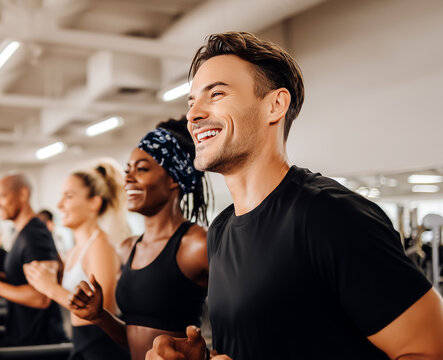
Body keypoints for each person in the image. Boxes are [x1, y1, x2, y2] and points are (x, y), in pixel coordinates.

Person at [146, 31, 443, 360]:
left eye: (216, 94)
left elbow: (429, 350)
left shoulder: (329, 216)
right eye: (191, 102)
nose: (193, 114)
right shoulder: (221, 229)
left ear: (275, 106)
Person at [69, 118, 211, 360]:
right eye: (127, 171)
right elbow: (135, 339)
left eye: (142, 169)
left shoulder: (196, 244)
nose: (128, 179)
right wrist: (100, 316)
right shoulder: (128, 248)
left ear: (173, 178)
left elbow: (245, 319)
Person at [23, 163, 130, 360]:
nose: (59, 205)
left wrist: (50, 288)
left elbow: (101, 311)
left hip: (100, 347)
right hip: (82, 342)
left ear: (94, 202)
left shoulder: (100, 245)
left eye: (69, 196)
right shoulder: (74, 251)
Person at [0, 174, 67, 346]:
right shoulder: (23, 233)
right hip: (22, 335)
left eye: (2, 196)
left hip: (39, 343)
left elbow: (42, 297)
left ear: (23, 194)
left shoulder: (34, 235)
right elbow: (24, 281)